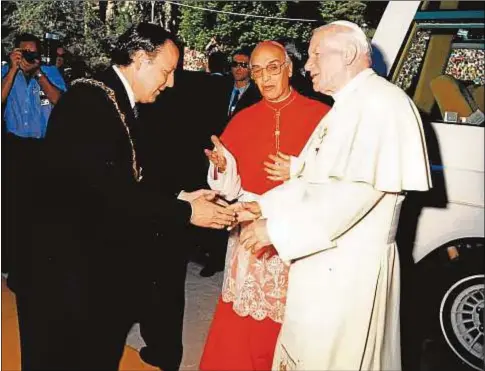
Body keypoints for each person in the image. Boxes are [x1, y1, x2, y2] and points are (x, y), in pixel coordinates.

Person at [13, 23, 236, 371]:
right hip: (62, 278)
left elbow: (128, 172)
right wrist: (184, 212)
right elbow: (110, 192)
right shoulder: (89, 103)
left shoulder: (111, 96)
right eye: (167, 71)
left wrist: (181, 195)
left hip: (82, 268)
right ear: (140, 60)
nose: (171, 82)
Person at [234, 21, 432, 370]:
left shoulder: (381, 105)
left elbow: (355, 194)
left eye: (315, 55)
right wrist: (263, 204)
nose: (307, 65)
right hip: (325, 258)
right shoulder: (345, 106)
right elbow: (312, 176)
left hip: (350, 269)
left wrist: (275, 229)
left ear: (349, 54)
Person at [199, 41, 330, 370]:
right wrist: (223, 167)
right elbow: (231, 188)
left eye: (273, 68)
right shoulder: (242, 119)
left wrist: (299, 168)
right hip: (251, 226)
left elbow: (337, 178)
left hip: (298, 227)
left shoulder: (322, 116)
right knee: (244, 319)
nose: (265, 78)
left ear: (288, 68)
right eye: (257, 71)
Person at [1, 33, 66, 277]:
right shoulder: (7, 72)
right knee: (13, 205)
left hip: (44, 147)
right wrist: (14, 69)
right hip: (15, 146)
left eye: (33, 52)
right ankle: (9, 262)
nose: (29, 56)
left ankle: (39, 261)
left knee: (42, 206)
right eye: (24, 52)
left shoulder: (50, 72)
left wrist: (39, 74)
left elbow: (61, 102)